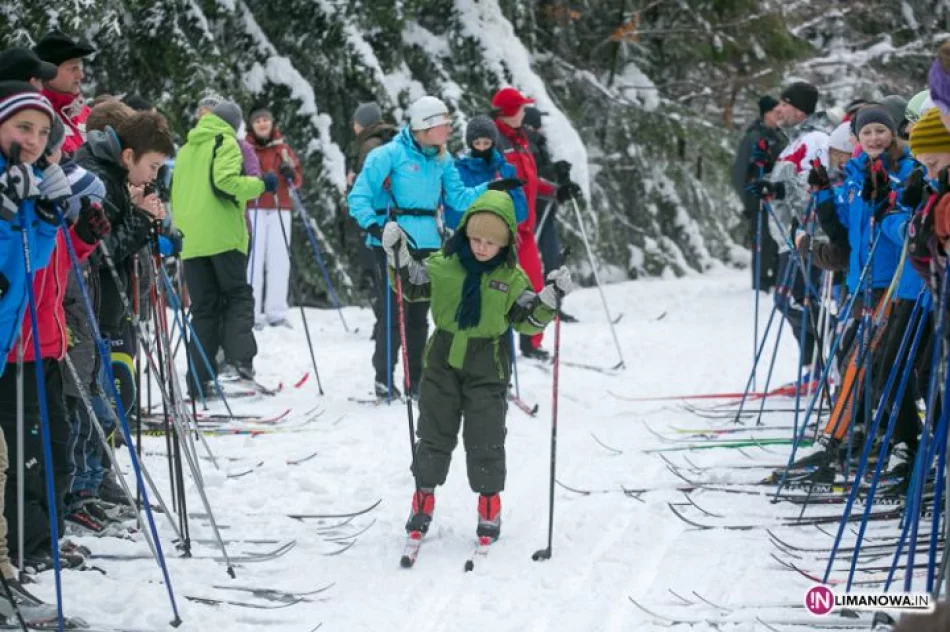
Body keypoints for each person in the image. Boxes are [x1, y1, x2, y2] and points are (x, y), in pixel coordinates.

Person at [381, 190, 573, 540]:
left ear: (505, 244)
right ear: (465, 234)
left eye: (491, 242)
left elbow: (527, 320)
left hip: (488, 363)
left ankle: (489, 504)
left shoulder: (512, 279)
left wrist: (548, 300)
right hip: (442, 358)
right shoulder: (444, 265)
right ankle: (423, 498)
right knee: (433, 432)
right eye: (476, 239)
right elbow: (411, 285)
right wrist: (399, 255)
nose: (482, 247)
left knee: (485, 437)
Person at [347, 95, 513, 400]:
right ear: (426, 126)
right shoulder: (388, 155)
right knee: (392, 316)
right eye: (444, 125)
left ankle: (417, 381)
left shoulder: (442, 159)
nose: (449, 130)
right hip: (391, 242)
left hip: (427, 243)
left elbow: (458, 198)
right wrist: (375, 227)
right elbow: (357, 197)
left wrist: (491, 189)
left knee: (418, 317)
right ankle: (384, 378)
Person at [172, 100, 274, 392]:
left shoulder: (187, 149)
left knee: (204, 308)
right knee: (237, 297)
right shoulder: (225, 141)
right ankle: (239, 367)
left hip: (191, 239)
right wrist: (260, 186)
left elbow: (175, 192)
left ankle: (199, 378)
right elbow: (226, 182)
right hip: (223, 235)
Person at [746, 81, 830, 389]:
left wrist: (779, 188)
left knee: (796, 299)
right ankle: (814, 366)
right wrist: (767, 182)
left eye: (784, 103)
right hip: (787, 236)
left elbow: (816, 184)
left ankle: (835, 353)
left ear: (799, 108)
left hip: (808, 235)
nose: (779, 109)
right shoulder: (794, 142)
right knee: (790, 300)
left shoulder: (816, 140)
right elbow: (789, 182)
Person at [492, 87, 577, 360]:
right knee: (499, 289)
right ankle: (494, 345)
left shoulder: (521, 140)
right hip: (504, 229)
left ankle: (531, 342)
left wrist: (555, 190)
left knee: (534, 285)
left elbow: (530, 181)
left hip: (525, 228)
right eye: (519, 108)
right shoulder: (495, 140)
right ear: (508, 112)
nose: (523, 112)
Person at [246, 106, 303, 329]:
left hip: (280, 207)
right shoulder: (246, 148)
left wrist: (291, 175)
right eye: (257, 120)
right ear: (252, 125)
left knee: (279, 260)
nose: (262, 123)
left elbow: (297, 180)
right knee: (254, 259)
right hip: (254, 207)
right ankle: (252, 311)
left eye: (265, 120)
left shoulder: (283, 149)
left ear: (272, 123)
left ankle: (276, 312)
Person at [522, 105, 580, 322]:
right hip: (533, 211)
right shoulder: (527, 144)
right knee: (535, 262)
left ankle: (552, 304)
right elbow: (533, 176)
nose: (541, 130)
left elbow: (544, 173)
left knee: (552, 258)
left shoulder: (538, 144)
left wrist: (560, 178)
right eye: (537, 125)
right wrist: (555, 174)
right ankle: (534, 305)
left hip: (545, 209)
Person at [732, 95, 787, 292]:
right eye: (776, 112)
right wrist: (748, 200)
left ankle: (776, 275)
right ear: (766, 113)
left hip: (778, 197)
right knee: (762, 238)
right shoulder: (754, 137)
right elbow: (740, 171)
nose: (780, 116)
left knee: (777, 238)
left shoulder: (781, 136)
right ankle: (761, 279)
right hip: (759, 197)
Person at [346, 102, 396, 298]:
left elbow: (369, 180)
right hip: (391, 211)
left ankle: (382, 322)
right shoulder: (390, 139)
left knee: (376, 271)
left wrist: (353, 182)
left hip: (375, 211)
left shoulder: (369, 144)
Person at [32, 30, 96, 156]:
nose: (81, 75)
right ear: (48, 72)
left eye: (80, 68)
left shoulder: (86, 114)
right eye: (73, 68)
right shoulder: (37, 116)